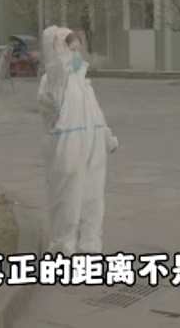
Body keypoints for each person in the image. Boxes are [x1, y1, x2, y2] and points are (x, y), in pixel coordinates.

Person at [37, 26, 118, 255]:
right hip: (68, 149)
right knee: (68, 203)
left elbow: (96, 114)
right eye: (68, 49)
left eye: (75, 50)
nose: (75, 55)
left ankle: (90, 247)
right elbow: (53, 96)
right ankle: (64, 249)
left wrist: (108, 137)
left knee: (92, 202)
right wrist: (57, 59)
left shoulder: (83, 83)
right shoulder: (52, 83)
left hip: (93, 149)